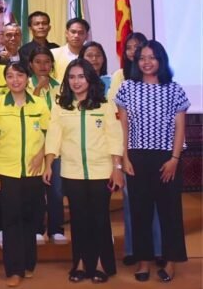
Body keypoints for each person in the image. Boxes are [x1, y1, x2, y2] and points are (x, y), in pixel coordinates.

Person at [44, 59, 123, 283]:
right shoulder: (61, 106)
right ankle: (79, 263)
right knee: (78, 220)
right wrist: (49, 164)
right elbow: (54, 136)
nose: (76, 82)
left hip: (101, 171)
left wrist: (117, 168)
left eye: (81, 77)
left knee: (99, 218)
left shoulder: (105, 104)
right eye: (72, 77)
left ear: (90, 78)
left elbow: (114, 137)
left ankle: (100, 264)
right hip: (72, 172)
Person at [116, 41, 189, 282]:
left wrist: (174, 159)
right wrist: (125, 157)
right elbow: (124, 127)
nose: (147, 62)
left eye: (152, 57)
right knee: (140, 212)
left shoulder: (174, 89)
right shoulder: (127, 88)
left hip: (167, 158)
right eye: (142, 58)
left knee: (170, 212)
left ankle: (170, 262)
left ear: (161, 60)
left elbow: (180, 128)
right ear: (136, 62)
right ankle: (143, 261)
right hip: (137, 157)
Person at [0, 62, 50, 287]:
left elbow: (49, 134)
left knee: (30, 218)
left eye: (19, 75)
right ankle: (13, 270)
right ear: (5, 80)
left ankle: (28, 263)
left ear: (27, 78)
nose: (15, 80)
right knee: (11, 220)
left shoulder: (40, 104)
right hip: (6, 172)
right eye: (10, 76)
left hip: (34, 171)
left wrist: (41, 155)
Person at [105, 32, 158, 265]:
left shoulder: (157, 80)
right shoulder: (120, 77)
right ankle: (132, 250)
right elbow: (114, 110)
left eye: (139, 47)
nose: (134, 51)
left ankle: (157, 251)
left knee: (155, 204)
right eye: (130, 47)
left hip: (153, 149)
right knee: (131, 203)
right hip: (127, 146)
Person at [26, 48, 66, 244]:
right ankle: (36, 228)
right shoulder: (24, 86)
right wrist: (37, 90)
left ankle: (56, 228)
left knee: (56, 189)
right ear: (31, 65)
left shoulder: (61, 88)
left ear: (52, 65)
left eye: (47, 62)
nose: (43, 66)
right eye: (38, 62)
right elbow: (27, 111)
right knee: (35, 190)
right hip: (33, 146)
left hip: (56, 146)